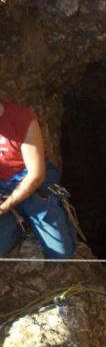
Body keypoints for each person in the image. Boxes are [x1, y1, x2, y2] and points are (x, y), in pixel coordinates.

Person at [0, 99, 77, 258]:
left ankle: (51, 211)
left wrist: (4, 207)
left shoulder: (21, 119)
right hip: (2, 184)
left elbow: (36, 175)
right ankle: (19, 223)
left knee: (61, 255)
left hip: (31, 178)